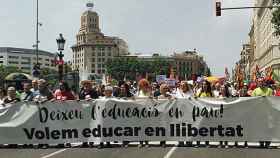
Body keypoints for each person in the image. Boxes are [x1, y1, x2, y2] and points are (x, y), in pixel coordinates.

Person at [252, 78, 273, 148]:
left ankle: (267, 142)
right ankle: (261, 142)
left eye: (262, 81)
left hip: (268, 113)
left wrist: (267, 98)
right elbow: (252, 101)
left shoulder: (269, 90)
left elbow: (273, 100)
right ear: (258, 83)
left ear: (264, 82)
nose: (260, 83)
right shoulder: (255, 91)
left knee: (268, 128)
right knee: (260, 128)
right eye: (259, 82)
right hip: (259, 113)